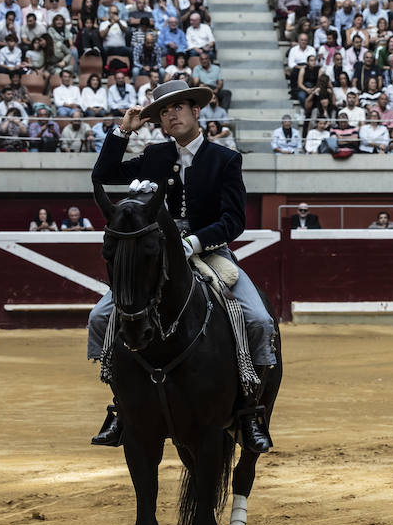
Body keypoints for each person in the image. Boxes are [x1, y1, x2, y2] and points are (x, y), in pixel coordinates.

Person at [87, 80, 276, 452]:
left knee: (258, 320)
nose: (170, 115)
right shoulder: (156, 155)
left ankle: (251, 410)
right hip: (157, 254)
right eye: (163, 111)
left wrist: (194, 242)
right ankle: (121, 407)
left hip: (209, 251)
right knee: (100, 317)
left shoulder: (225, 159)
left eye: (178, 108)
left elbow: (233, 220)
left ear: (196, 111)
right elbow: (103, 174)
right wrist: (123, 130)